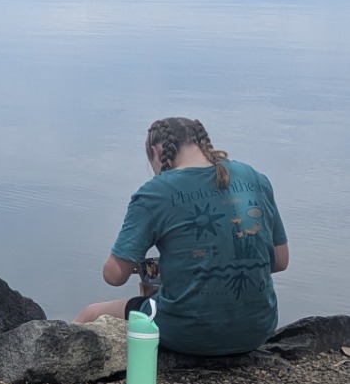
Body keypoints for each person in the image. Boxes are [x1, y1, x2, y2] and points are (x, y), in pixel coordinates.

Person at [76, 117, 289, 355]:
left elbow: (113, 275)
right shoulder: (256, 178)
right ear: (202, 143)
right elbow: (280, 261)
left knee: (91, 313)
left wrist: (135, 260)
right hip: (258, 329)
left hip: (187, 332)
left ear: (156, 151)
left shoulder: (154, 193)